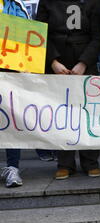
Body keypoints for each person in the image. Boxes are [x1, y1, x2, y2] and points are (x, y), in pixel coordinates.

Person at [36, 0, 100, 180]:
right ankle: (64, 163)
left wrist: (84, 63)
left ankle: (91, 161)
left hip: (85, 64)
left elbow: (98, 37)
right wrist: (52, 62)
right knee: (60, 113)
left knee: (88, 113)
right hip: (57, 63)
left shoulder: (92, 3)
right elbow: (39, 33)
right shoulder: (46, 2)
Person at [0, 0, 30, 188]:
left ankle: (12, 167)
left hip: (10, 73)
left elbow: (27, 37)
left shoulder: (17, 5)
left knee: (11, 120)